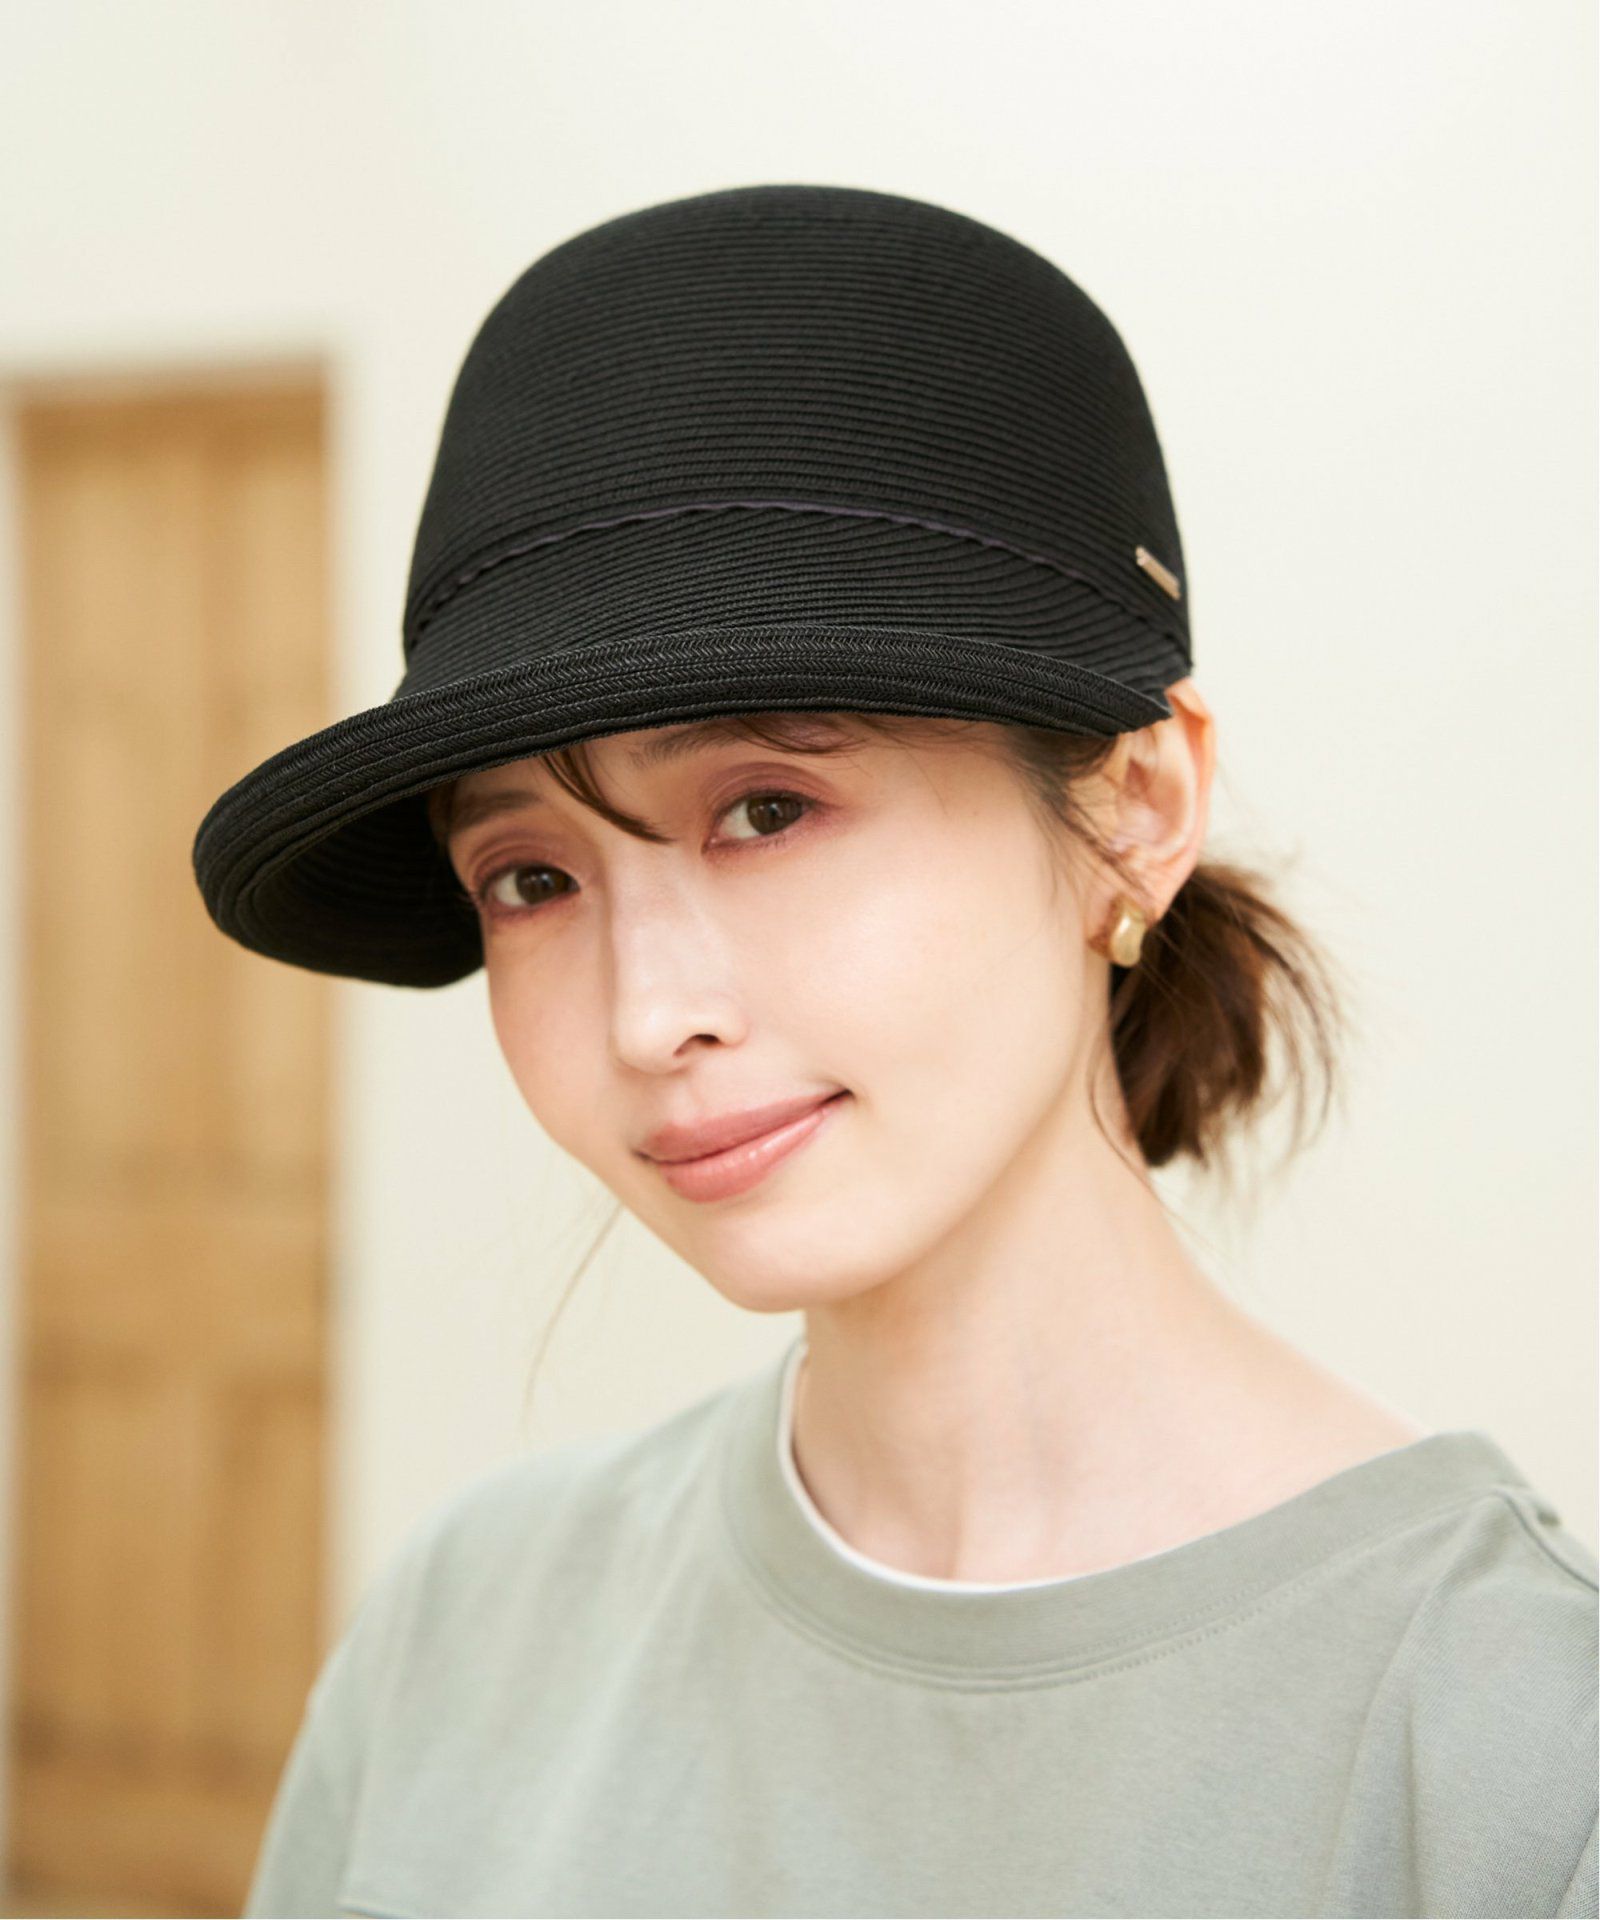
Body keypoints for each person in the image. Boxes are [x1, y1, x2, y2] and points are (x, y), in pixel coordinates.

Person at [193, 185, 1597, 1919]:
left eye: (767, 809)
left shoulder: (1512, 1752)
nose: (646, 1015)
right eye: (532, 879)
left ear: (1137, 804)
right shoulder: (459, 1637)